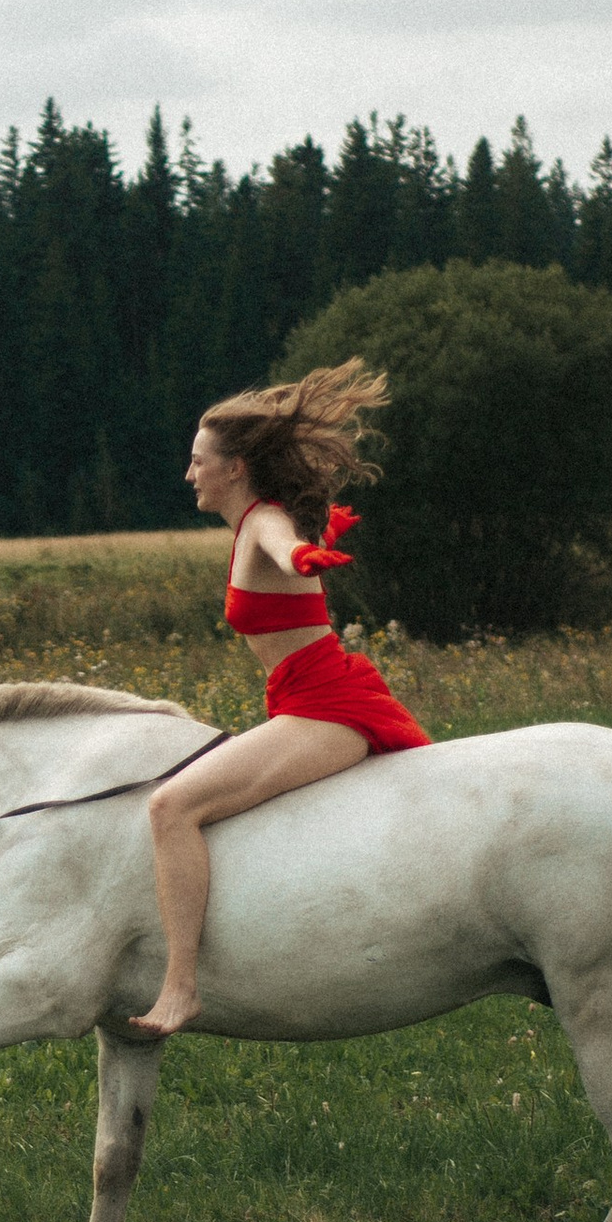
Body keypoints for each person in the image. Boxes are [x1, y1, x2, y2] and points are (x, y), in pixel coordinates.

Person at [123, 360, 430, 1039]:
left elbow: (281, 544)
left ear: (234, 468)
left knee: (172, 807)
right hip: (304, 696)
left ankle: (179, 990)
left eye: (198, 461)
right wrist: (307, 547)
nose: (188, 473)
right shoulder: (253, 522)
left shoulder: (264, 521)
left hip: (325, 706)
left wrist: (302, 557)